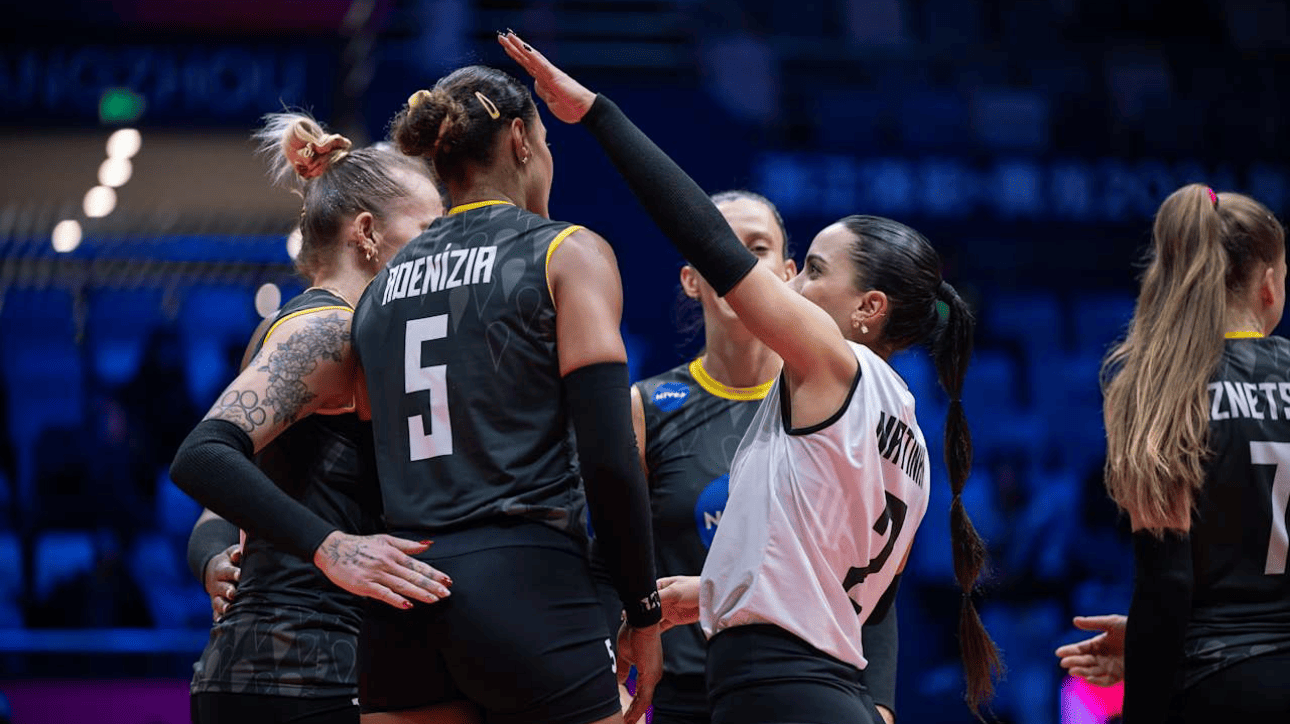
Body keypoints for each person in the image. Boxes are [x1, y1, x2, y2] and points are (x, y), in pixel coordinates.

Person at [499, 32, 999, 724]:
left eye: (814, 270)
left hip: (781, 691)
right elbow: (822, 589)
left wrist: (598, 116)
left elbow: (705, 236)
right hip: (823, 689)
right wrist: (706, 594)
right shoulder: (905, 423)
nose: (790, 282)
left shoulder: (832, 363)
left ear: (868, 309)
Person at [348, 66, 663, 724]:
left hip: (401, 595)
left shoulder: (379, 290)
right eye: (546, 139)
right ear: (520, 139)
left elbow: (367, 456)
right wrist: (642, 608)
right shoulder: (565, 253)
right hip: (524, 581)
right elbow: (610, 458)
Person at [171, 113, 454, 724]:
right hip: (300, 679)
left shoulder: (310, 330)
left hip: (279, 671)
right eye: (430, 229)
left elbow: (221, 511)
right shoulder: (328, 330)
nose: (441, 248)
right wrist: (332, 547)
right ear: (368, 232)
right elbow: (203, 456)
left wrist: (213, 556)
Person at [594, 192, 898, 724]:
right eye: (719, 247)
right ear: (691, 279)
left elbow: (873, 568)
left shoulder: (832, 399)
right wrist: (611, 687)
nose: (734, 263)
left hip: (802, 691)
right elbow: (609, 559)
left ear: (785, 275)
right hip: (681, 700)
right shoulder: (646, 407)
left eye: (756, 249)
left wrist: (880, 704)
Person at [1065, 184, 1290, 723]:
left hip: (1216, 683)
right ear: (1267, 284)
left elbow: (1168, 582)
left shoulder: (1160, 387)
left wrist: (1147, 661)